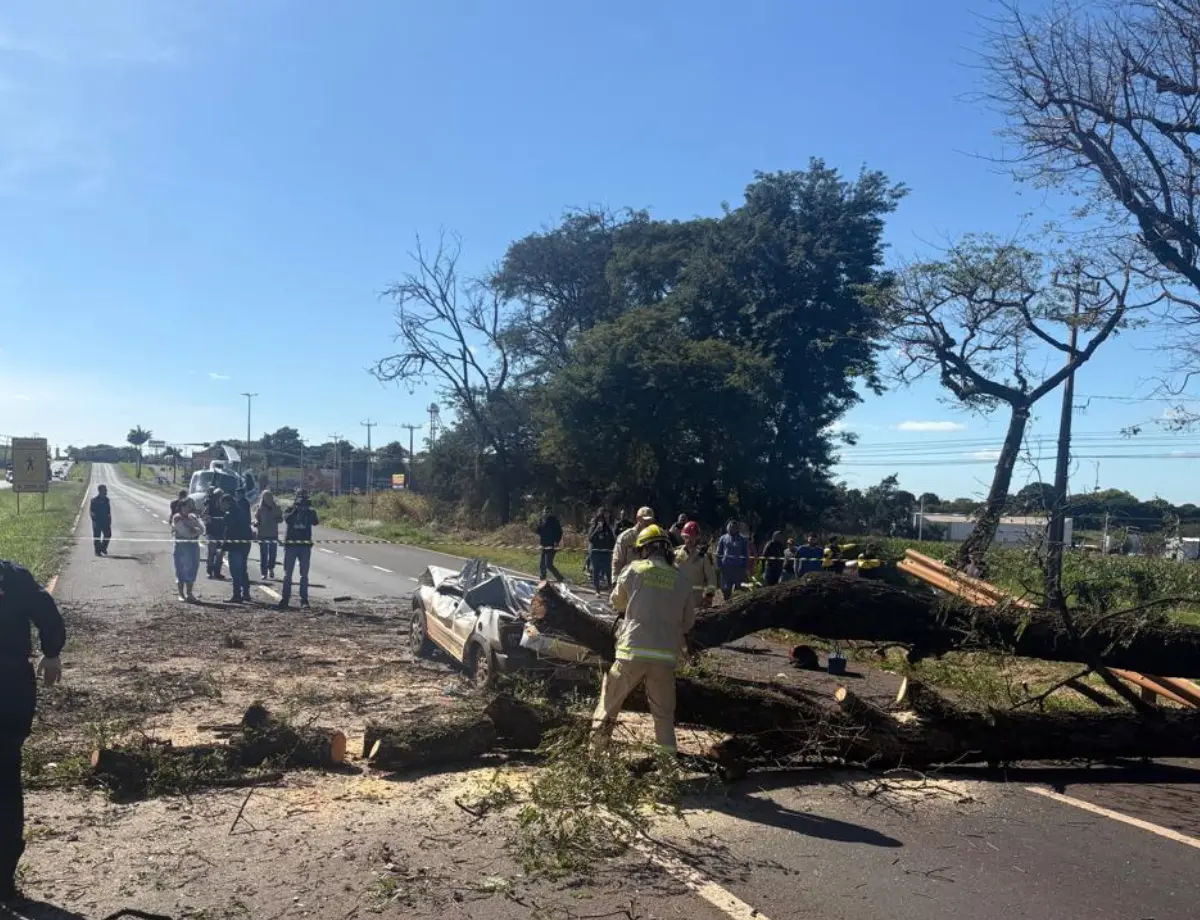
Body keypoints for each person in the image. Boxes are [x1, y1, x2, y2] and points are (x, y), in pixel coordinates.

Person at [592, 525, 696, 754]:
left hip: (631, 651)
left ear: (644, 550)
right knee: (663, 718)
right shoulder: (681, 580)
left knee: (608, 707)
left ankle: (594, 762)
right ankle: (666, 772)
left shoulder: (634, 570)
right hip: (665, 658)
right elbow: (688, 622)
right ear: (668, 550)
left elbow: (617, 603)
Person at [0, 560, 65, 904]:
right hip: (11, 686)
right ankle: (3, 878)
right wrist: (52, 652)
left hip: (9, 686)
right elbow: (46, 611)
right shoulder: (12, 575)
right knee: (6, 781)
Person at [279, 490, 319, 610]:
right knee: (287, 574)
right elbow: (287, 520)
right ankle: (285, 598)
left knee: (304, 574)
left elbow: (315, 522)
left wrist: (308, 511)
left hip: (304, 546)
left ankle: (304, 599)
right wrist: (296, 509)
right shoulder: (289, 510)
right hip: (291, 545)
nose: (302, 505)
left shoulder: (310, 511)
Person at [675, 522, 717, 608]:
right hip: (676, 598)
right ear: (683, 537)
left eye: (692, 537)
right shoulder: (675, 554)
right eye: (686, 537)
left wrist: (709, 595)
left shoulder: (702, 557)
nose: (689, 540)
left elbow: (711, 577)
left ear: (697, 538)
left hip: (695, 601)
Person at [221, 493, 253, 603]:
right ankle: (246, 593)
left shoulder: (231, 513)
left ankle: (237, 595)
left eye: (223, 503)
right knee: (243, 569)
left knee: (235, 571)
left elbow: (229, 530)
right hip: (245, 544)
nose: (222, 506)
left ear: (227, 502)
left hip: (236, 546)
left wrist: (223, 547)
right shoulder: (240, 510)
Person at [171, 498, 205, 602]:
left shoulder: (193, 517)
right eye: (186, 506)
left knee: (193, 568)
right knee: (181, 569)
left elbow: (202, 529)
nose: (189, 508)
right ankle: (181, 594)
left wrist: (195, 528)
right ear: (181, 506)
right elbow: (186, 533)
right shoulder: (177, 517)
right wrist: (194, 530)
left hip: (193, 547)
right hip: (182, 547)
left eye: (190, 506)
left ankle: (189, 593)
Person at [612, 507, 655, 582]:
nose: (648, 523)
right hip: (628, 579)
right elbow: (618, 560)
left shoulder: (655, 537)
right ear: (638, 518)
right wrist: (615, 580)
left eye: (650, 520)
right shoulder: (626, 537)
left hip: (647, 581)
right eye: (645, 520)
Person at [715, 519, 750, 601]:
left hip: (738, 569)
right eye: (731, 526)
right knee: (725, 589)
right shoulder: (723, 538)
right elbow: (718, 553)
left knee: (740, 591)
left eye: (735, 527)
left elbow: (746, 554)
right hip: (726, 568)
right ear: (728, 527)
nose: (732, 528)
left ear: (737, 528)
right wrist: (719, 565)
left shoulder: (743, 540)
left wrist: (744, 567)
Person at [254, 490, 282, 580]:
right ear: (263, 497)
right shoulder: (260, 507)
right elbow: (256, 518)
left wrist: (277, 519)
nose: (268, 498)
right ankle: (264, 573)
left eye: (269, 496)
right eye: (266, 496)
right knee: (264, 554)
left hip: (273, 533)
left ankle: (271, 568)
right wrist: (256, 522)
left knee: (273, 554)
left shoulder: (276, 507)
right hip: (262, 533)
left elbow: (281, 519)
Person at [587, 510, 616, 592]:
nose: (601, 521)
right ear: (597, 520)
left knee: (608, 571)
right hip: (595, 553)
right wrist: (596, 529)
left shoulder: (608, 529)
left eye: (602, 520)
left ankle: (610, 587)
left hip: (606, 553)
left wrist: (610, 548)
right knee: (596, 571)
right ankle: (597, 590)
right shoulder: (593, 528)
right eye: (599, 519)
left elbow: (613, 540)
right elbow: (590, 539)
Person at [535, 508, 565, 582]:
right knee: (542, 564)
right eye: (545, 512)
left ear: (550, 513)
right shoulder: (542, 521)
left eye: (547, 512)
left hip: (551, 545)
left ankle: (560, 578)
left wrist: (556, 541)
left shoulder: (554, 521)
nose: (546, 513)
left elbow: (560, 532)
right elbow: (538, 531)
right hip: (544, 545)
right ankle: (542, 578)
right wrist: (539, 523)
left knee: (548, 564)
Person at [203, 488, 226, 579]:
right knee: (211, 553)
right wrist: (208, 519)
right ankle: (209, 571)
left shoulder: (224, 506)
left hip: (221, 532)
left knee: (220, 554)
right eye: (218, 495)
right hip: (211, 532)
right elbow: (204, 515)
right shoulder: (211, 505)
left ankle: (217, 572)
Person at [89, 484, 111, 557]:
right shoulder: (94, 501)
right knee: (97, 537)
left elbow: (108, 511)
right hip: (97, 521)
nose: (106, 491)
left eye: (106, 490)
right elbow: (91, 511)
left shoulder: (107, 500)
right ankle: (97, 551)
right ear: (100, 491)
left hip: (105, 521)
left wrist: (109, 519)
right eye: (105, 490)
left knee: (108, 535)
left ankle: (103, 548)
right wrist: (94, 519)